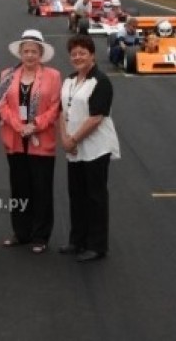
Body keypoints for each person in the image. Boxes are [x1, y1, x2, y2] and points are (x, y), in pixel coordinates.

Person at [0, 29, 61, 254]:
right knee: (19, 188)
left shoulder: (53, 76)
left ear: (41, 53)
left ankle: (40, 236)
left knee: (41, 189)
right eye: (26, 51)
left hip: (40, 140)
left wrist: (35, 125)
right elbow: (1, 104)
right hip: (15, 139)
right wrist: (18, 126)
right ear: (20, 53)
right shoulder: (7, 74)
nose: (30, 55)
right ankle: (21, 232)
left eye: (34, 51)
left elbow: (55, 107)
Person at [58, 34, 120, 262]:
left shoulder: (101, 82)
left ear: (92, 55)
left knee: (95, 197)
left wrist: (73, 140)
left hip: (95, 148)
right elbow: (62, 112)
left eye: (82, 53)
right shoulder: (69, 80)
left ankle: (96, 245)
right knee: (76, 196)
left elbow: (96, 118)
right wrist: (65, 140)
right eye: (74, 54)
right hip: (74, 149)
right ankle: (77, 240)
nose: (78, 57)